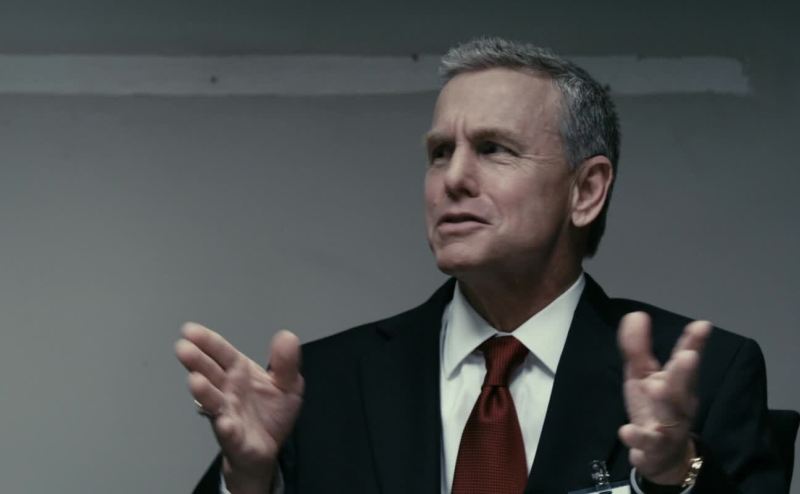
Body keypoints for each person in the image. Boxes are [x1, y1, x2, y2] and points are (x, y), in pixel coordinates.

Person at [175, 37, 786, 493]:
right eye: (441, 152)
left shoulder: (706, 376)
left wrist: (674, 474)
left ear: (586, 191)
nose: (454, 178)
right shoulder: (320, 386)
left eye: (493, 149)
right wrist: (248, 479)